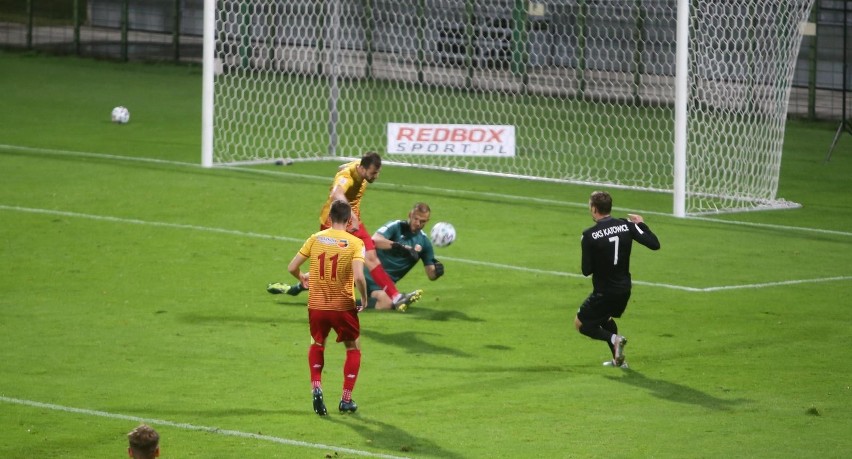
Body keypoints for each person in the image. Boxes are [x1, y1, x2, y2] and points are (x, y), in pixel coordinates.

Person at [271, 152, 422, 310]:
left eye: (378, 172)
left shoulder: (359, 164)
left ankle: (396, 297)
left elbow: (342, 166)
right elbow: (336, 193)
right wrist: (351, 213)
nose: (376, 176)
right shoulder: (348, 177)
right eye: (373, 173)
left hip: (354, 221)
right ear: (363, 169)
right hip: (335, 222)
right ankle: (295, 288)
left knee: (371, 257)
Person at [269, 202, 445, 310]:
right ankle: (292, 289)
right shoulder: (396, 226)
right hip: (365, 267)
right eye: (416, 219)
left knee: (385, 304)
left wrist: (437, 271)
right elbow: (374, 240)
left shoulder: (425, 243)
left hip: (381, 284)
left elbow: (430, 273)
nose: (418, 223)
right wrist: (399, 247)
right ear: (410, 215)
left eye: (423, 221)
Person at [287, 199, 369, 415]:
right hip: (342, 306)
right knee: (353, 348)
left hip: (317, 305)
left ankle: (316, 387)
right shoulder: (355, 243)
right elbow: (359, 277)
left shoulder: (316, 239)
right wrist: (365, 298)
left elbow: (292, 267)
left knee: (317, 343)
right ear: (349, 219)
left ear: (330, 219)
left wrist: (302, 278)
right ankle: (346, 399)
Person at [575, 191, 660, 369]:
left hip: (604, 292)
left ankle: (615, 339)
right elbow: (654, 244)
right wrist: (641, 225)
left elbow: (586, 270)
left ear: (594, 208)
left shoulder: (589, 235)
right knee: (605, 319)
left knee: (581, 324)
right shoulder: (626, 225)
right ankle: (619, 361)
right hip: (624, 290)